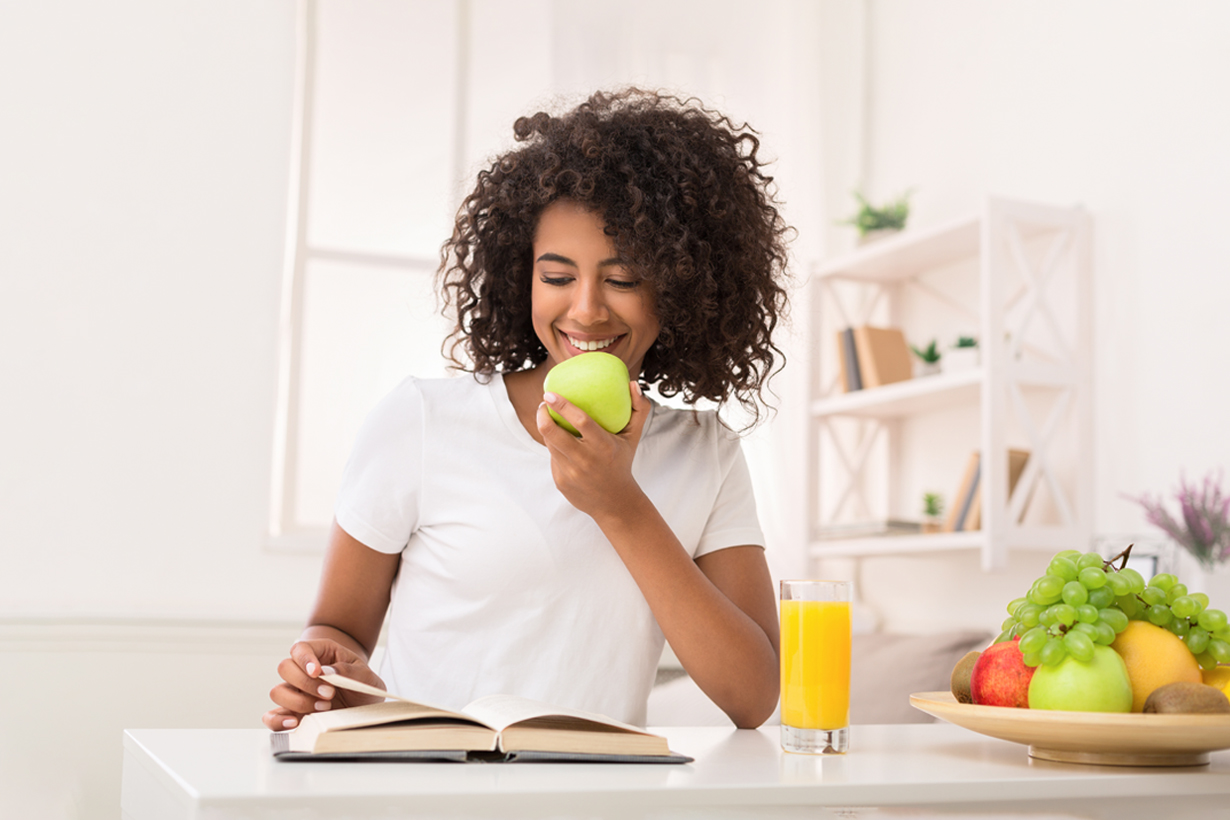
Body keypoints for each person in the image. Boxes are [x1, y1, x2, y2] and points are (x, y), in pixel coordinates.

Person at [263, 88, 792, 732]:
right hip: (421, 786)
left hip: (595, 795)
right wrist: (329, 672)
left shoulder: (705, 452)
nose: (587, 309)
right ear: (523, 278)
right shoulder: (424, 420)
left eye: (622, 279)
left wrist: (618, 504)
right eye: (558, 276)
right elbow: (339, 627)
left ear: (680, 286)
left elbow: (753, 695)